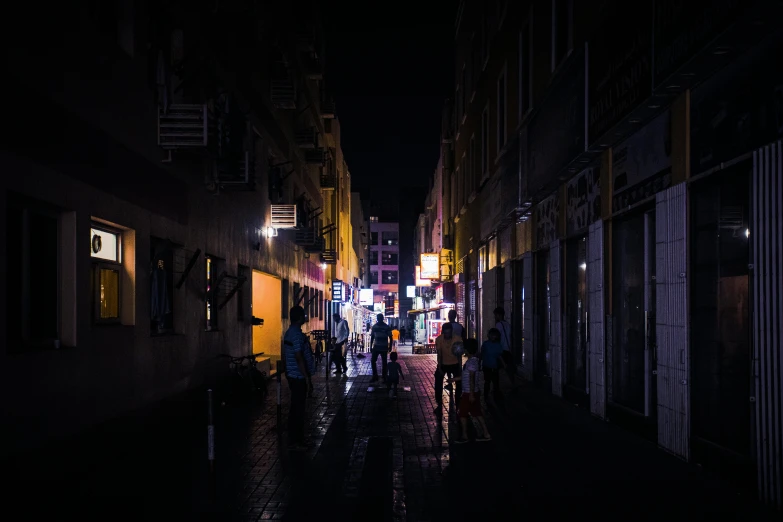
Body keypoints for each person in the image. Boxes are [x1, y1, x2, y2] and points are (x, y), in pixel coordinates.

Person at [283, 305, 314, 451]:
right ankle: (296, 441)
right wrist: (306, 377)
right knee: (298, 409)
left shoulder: (291, 333)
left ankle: (295, 439)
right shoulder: (295, 334)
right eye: (304, 316)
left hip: (293, 374)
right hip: (297, 376)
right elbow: (298, 356)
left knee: (296, 408)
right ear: (300, 318)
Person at [450, 338, 491, 443]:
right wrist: (455, 379)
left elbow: (472, 378)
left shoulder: (471, 362)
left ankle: (464, 436)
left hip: (469, 393)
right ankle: (486, 434)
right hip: (472, 392)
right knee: (477, 413)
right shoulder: (472, 361)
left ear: (467, 350)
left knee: (462, 414)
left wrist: (471, 394)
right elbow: (467, 375)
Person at [434, 322, 463, 412]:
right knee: (438, 382)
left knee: (459, 384)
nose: (447, 335)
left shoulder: (457, 339)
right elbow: (439, 354)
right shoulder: (439, 339)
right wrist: (439, 367)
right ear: (443, 332)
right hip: (443, 363)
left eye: (449, 333)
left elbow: (459, 355)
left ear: (452, 332)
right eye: (445, 333)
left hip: (455, 363)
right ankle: (439, 403)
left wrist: (460, 367)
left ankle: (458, 404)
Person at [481, 328, 505, 403]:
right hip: (486, 366)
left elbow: (500, 356)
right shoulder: (485, 344)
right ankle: (486, 396)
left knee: (495, 382)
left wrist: (504, 364)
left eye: (495, 335)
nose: (493, 337)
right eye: (492, 335)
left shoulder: (498, 345)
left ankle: (495, 396)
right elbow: (482, 353)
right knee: (487, 382)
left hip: (494, 367)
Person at [494, 307, 516, 387]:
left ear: (499, 315)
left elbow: (497, 337)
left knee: (497, 368)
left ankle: (498, 386)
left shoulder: (498, 325)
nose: (495, 317)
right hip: (508, 349)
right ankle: (512, 384)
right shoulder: (508, 324)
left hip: (501, 349)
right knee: (508, 369)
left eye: (495, 315)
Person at [370, 313, 393, 383]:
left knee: (384, 362)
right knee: (373, 361)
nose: (379, 319)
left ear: (382, 318)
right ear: (377, 319)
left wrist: (390, 346)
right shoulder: (374, 327)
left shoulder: (387, 327)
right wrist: (371, 346)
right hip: (376, 346)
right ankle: (375, 375)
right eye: (378, 318)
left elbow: (390, 337)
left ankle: (384, 376)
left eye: (380, 318)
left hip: (383, 347)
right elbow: (372, 337)